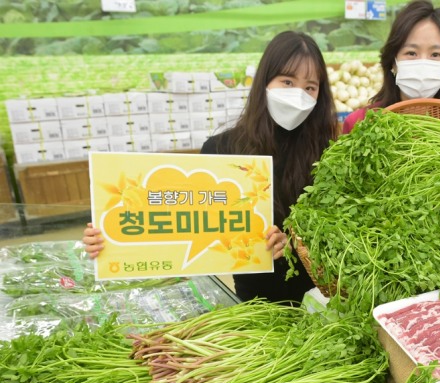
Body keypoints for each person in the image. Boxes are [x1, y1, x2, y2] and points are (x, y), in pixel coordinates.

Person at [83, 31, 338, 304]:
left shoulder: (330, 153)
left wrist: (295, 245)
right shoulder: (222, 150)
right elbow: (179, 222)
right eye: (287, 81)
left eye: (310, 87)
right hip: (252, 303)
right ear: (265, 82)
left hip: (318, 301)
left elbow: (340, 234)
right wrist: (110, 239)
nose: (298, 95)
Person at [341, 0, 440, 134]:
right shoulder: (359, 124)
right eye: (411, 53)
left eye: (435, 54)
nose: (422, 64)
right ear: (393, 62)